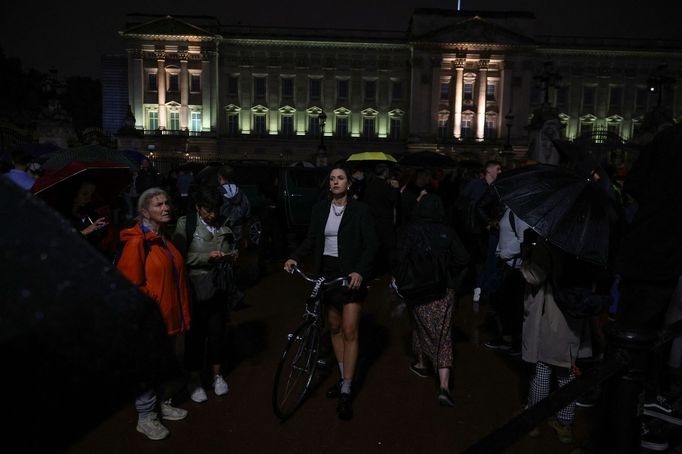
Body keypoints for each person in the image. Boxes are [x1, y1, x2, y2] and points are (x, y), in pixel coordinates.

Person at [283, 165, 378, 420]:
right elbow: (312, 239)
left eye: (341, 178)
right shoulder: (320, 209)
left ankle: (347, 388)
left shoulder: (360, 211)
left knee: (350, 330)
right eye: (333, 179)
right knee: (334, 328)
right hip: (327, 272)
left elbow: (371, 245)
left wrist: (360, 271)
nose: (336, 182)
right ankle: (343, 374)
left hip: (350, 275)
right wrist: (294, 257)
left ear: (349, 184)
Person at [116, 187, 191, 441]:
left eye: (167, 202)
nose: (166, 207)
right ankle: (146, 417)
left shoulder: (163, 239)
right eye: (158, 205)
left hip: (168, 317)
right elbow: (128, 286)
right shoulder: (138, 242)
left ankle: (159, 405)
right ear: (145, 212)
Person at [391, 193, 469, 406]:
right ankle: (444, 386)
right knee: (443, 335)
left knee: (419, 326)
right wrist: (451, 279)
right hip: (443, 290)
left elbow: (399, 259)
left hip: (416, 290)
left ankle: (421, 363)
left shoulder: (410, 231)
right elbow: (463, 259)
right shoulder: (447, 232)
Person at [520, 231, 593, 444]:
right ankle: (564, 423)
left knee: (543, 368)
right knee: (567, 371)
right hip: (575, 315)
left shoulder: (551, 240)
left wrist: (527, 256)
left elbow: (534, 275)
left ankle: (533, 420)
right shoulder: (587, 241)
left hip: (551, 315)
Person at [173, 186, 237, 404]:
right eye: (208, 210)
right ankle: (194, 379)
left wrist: (229, 257)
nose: (212, 214)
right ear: (198, 208)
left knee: (218, 333)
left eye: (215, 209)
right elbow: (179, 257)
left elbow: (232, 248)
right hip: (195, 287)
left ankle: (217, 376)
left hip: (219, 285)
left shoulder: (225, 223)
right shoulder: (186, 224)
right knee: (195, 336)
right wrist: (206, 258)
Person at [362, 163, 400, 276]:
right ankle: (387, 272)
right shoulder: (387, 186)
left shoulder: (369, 186)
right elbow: (396, 202)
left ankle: (374, 270)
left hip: (373, 221)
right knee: (388, 248)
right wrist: (396, 189)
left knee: (375, 247)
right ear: (386, 171)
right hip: (385, 222)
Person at [65, 179, 115, 257]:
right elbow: (66, 244)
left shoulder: (90, 212)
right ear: (74, 194)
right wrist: (86, 231)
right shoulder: (63, 218)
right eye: (84, 194)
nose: (89, 199)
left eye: (91, 195)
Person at [217, 165, 251, 244]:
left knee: (223, 243)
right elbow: (247, 205)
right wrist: (246, 217)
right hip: (238, 222)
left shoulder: (218, 191)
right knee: (235, 243)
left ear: (220, 177)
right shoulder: (239, 190)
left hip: (223, 222)